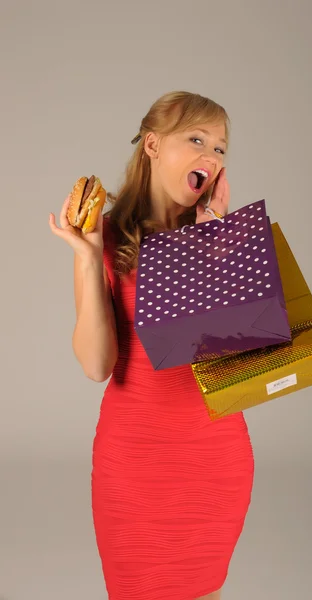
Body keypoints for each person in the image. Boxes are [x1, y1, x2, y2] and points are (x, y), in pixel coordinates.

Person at [49, 91, 255, 600]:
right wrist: (87, 255)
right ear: (153, 145)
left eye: (222, 149)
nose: (213, 157)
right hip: (134, 463)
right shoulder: (106, 234)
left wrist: (213, 249)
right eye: (197, 139)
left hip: (214, 459)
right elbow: (97, 365)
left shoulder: (226, 240)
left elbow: (240, 370)